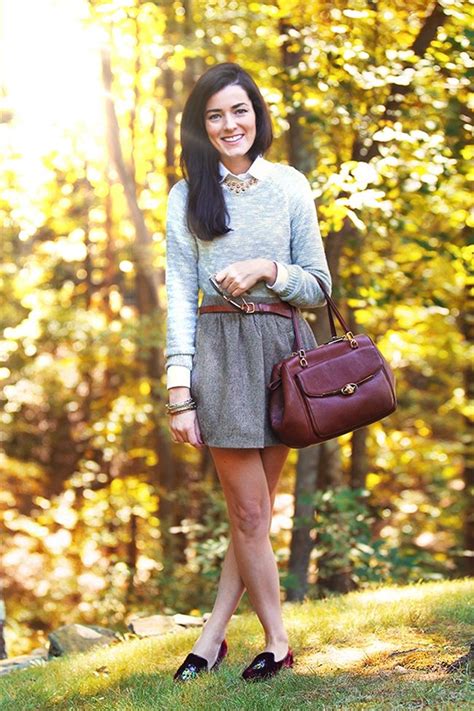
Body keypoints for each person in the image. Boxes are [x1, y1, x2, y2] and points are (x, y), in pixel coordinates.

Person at [165, 62, 332, 682]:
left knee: (252, 514)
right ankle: (277, 640)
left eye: (240, 110)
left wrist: (267, 267)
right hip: (218, 354)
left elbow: (318, 286)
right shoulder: (187, 195)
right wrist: (179, 391)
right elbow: (180, 294)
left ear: (256, 116)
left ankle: (211, 640)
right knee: (251, 515)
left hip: (283, 353)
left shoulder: (289, 185)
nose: (230, 124)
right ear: (202, 126)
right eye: (215, 115)